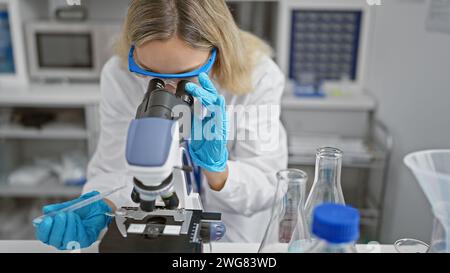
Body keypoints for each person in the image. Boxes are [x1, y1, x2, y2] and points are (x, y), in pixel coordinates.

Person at [35, 0, 287, 250]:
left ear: (217, 53)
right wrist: (102, 204)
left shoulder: (260, 77)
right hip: (156, 230)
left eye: (185, 76)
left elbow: (267, 184)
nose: (168, 88)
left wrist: (218, 171)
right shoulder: (120, 75)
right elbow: (111, 167)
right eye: (152, 75)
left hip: (233, 241)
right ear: (134, 52)